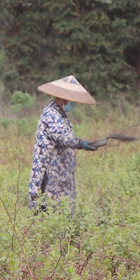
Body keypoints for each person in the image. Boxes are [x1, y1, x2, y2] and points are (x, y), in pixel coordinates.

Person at [28, 75, 97, 212]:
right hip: (50, 174)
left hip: (61, 175)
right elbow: (61, 137)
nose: (72, 104)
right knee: (49, 212)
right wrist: (80, 143)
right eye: (70, 100)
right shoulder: (51, 114)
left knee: (64, 213)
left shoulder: (62, 116)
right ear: (62, 99)